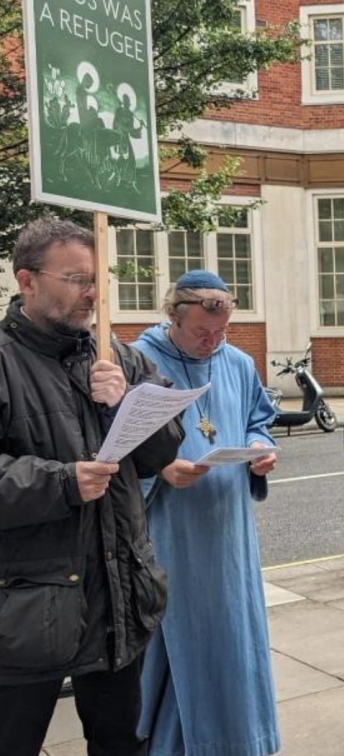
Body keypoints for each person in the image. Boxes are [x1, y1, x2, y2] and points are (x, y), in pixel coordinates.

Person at [0, 218, 182, 756]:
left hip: (118, 603)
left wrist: (126, 402)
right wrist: (61, 483)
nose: (94, 293)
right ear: (27, 280)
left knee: (119, 741)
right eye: (77, 279)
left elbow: (164, 450)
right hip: (28, 613)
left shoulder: (119, 357)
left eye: (98, 278)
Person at [133, 271, 281, 756]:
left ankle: (240, 741)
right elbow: (115, 448)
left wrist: (259, 448)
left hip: (229, 533)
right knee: (183, 641)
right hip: (171, 532)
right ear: (172, 317)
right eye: (201, 332)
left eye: (221, 332)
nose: (212, 342)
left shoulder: (235, 362)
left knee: (234, 640)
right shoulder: (140, 362)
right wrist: (159, 468)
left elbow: (258, 419)